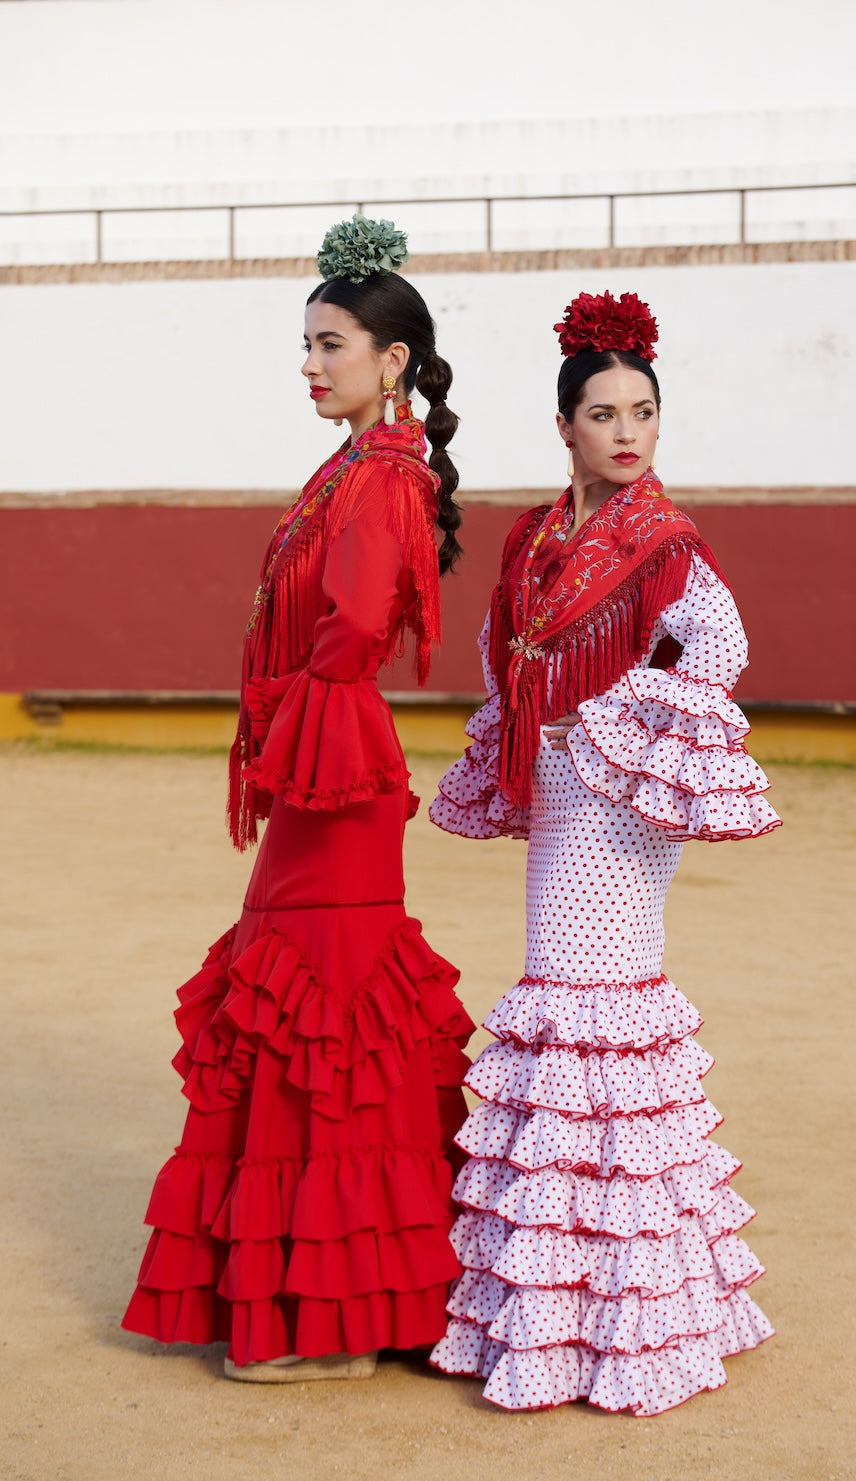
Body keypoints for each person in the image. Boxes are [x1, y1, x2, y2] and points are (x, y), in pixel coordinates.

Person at [122, 217, 473, 1382]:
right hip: (328, 750)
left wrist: (296, 722)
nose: (313, 364)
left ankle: (331, 1324)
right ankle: (350, 1303)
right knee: (323, 1007)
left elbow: (359, 623)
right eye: (308, 345)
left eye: (332, 344)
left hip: (334, 756)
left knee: (318, 1007)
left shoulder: (375, 476)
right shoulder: (359, 466)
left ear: (392, 359)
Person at [429, 290, 781, 1416]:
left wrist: (617, 722)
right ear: (565, 426)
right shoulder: (536, 534)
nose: (626, 433)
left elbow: (719, 648)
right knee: (569, 998)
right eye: (603, 413)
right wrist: (522, 731)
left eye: (642, 413)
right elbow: (499, 641)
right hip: (562, 785)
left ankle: (613, 1317)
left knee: (590, 1003)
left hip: (617, 797)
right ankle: (593, 1298)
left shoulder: (661, 538)